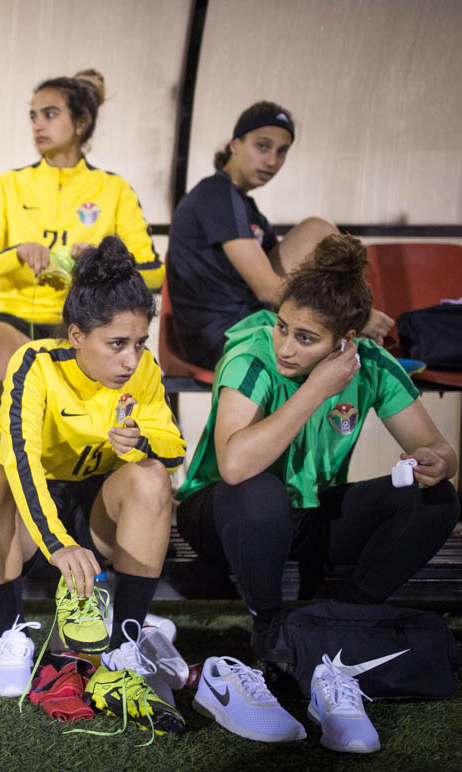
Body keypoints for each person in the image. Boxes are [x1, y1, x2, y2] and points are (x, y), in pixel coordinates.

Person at [176, 233, 458, 647]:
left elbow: (441, 450)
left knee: (437, 499)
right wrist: (316, 390)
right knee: (259, 490)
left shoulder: (371, 364)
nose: (285, 348)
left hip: (307, 514)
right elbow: (234, 466)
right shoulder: (251, 356)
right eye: (282, 327)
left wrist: (436, 463)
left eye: (305, 338)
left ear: (345, 340)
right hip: (226, 515)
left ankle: (342, 619)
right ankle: (270, 629)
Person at [0, 235, 185, 733]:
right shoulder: (36, 364)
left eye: (138, 344)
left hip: (102, 511)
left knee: (152, 477)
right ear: (77, 335)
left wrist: (143, 439)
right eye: (117, 344)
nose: (130, 359)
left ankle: (124, 647)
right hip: (40, 516)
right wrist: (59, 545)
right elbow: (19, 461)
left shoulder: (143, 372)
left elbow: (174, 446)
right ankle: (12, 634)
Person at [0, 69, 162, 463]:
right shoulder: (9, 185)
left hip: (84, 322)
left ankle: (77, 480)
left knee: (97, 369)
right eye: (34, 116)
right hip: (16, 315)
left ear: (81, 122)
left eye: (50, 114)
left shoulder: (114, 190)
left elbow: (154, 272)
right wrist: (18, 253)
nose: (38, 125)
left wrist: (102, 258)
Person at [167, 102, 393, 369]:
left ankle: (359, 340)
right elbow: (267, 287)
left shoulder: (246, 208)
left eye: (282, 151)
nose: (273, 160)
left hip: (249, 321)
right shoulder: (215, 195)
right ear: (235, 144)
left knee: (320, 235)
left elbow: (297, 275)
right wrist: (349, 316)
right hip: (223, 336)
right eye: (262, 146)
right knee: (316, 229)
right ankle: (360, 334)